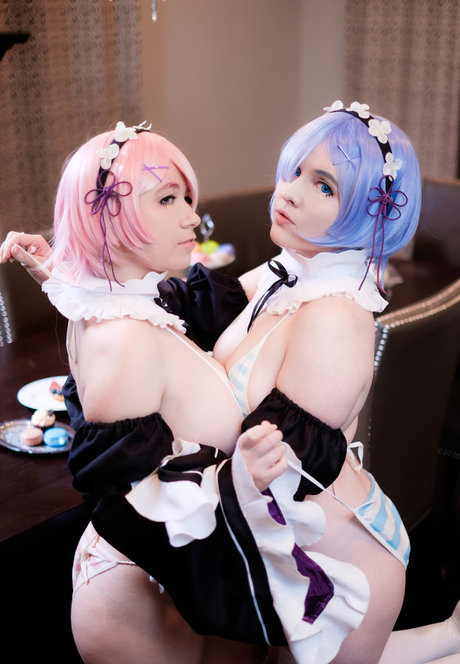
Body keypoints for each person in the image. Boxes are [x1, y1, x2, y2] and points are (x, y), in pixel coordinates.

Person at [2, 105, 459, 664]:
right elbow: (173, 316)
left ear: (371, 212)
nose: (289, 192)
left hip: (336, 570)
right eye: (294, 171)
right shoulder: (283, 276)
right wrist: (75, 276)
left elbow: (290, 466)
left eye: (323, 186)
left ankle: (444, 640)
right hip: (274, 553)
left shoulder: (336, 316)